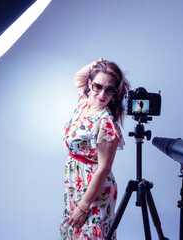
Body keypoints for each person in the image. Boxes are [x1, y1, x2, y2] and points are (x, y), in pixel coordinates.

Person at [59, 58, 130, 239]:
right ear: (90, 84)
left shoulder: (105, 123)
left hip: (95, 189)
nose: (102, 94)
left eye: (110, 89)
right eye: (98, 86)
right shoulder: (84, 102)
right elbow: (77, 78)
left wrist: (83, 207)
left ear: (115, 94)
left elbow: (104, 168)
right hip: (75, 183)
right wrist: (95, 64)